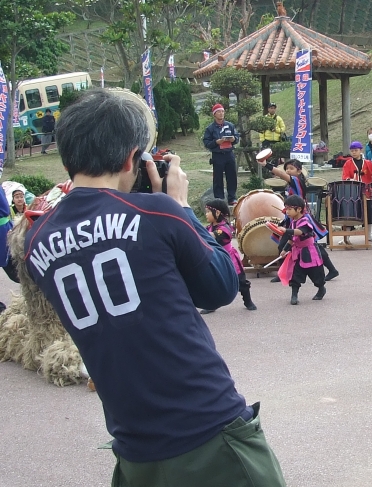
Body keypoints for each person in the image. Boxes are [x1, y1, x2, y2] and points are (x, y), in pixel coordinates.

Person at [24, 89, 286, 487]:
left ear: (67, 156)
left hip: (135, 450)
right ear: (133, 158)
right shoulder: (156, 213)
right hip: (210, 436)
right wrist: (179, 205)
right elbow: (220, 287)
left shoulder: (37, 239)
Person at [260, 157, 339, 281]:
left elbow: (280, 174)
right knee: (303, 245)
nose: (288, 171)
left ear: (299, 171)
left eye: (291, 168)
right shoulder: (292, 184)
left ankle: (285, 274)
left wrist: (267, 165)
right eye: (286, 168)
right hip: (294, 218)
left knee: (290, 245)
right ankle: (332, 270)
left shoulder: (296, 180)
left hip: (302, 219)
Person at [201, 198, 257, 313]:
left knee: (241, 281)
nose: (206, 214)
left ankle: (248, 301)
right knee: (213, 281)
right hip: (216, 258)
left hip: (229, 259)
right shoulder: (209, 227)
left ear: (217, 213)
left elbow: (212, 236)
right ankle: (212, 305)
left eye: (208, 212)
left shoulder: (224, 227)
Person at [277, 195, 326, 305]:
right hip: (297, 253)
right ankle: (294, 295)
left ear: (298, 209)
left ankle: (321, 288)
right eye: (286, 209)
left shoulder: (305, 220)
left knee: (316, 275)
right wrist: (285, 250)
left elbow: (299, 232)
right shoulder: (293, 221)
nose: (287, 212)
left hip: (310, 251)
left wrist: (286, 230)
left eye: (289, 209)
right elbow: (291, 239)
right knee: (295, 275)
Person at [342, 141, 372, 241]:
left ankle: (369, 235)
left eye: (356, 150)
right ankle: (346, 238)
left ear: (361, 150)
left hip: (367, 192)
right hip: (353, 193)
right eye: (352, 151)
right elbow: (345, 176)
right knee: (350, 214)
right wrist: (349, 179)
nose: (354, 153)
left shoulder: (368, 163)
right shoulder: (348, 163)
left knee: (370, 214)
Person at [203, 104, 240, 205]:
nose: (221, 113)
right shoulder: (210, 128)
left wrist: (234, 139)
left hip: (229, 153)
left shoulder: (230, 125)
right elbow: (206, 143)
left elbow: (237, 137)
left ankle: (232, 198)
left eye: (223, 111)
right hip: (218, 155)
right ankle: (219, 199)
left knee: (232, 176)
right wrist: (216, 142)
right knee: (218, 178)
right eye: (219, 112)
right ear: (214, 114)